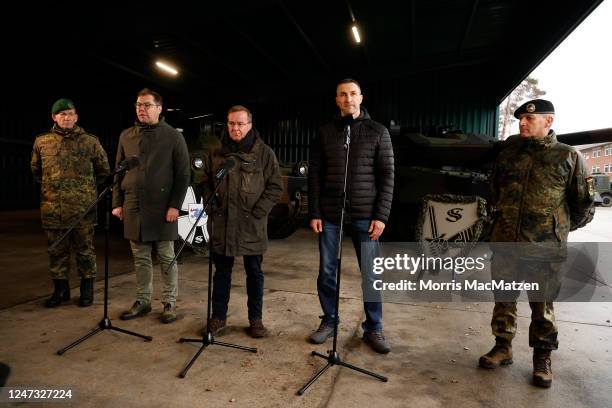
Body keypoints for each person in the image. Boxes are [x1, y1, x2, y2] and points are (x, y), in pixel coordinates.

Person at [479, 99, 594, 387]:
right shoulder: (508, 155)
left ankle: (542, 357)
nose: (523, 123)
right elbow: (493, 192)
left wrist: (557, 231)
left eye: (531, 119)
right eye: (521, 119)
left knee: (542, 305)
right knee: (503, 299)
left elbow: (583, 205)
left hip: (544, 248)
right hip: (506, 242)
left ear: (549, 122)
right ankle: (502, 346)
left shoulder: (567, 157)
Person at [308, 79, 395, 353]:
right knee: (327, 271)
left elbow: (387, 175)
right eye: (343, 95)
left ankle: (374, 327)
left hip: (366, 216)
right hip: (331, 215)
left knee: (371, 273)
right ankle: (330, 320)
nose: (348, 99)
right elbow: (315, 175)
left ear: (361, 97)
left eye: (353, 94)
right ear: (336, 100)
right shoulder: (325, 132)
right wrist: (315, 211)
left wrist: (381, 216)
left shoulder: (378, 132)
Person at [200, 105, 282, 338]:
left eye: (240, 124)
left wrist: (259, 212)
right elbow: (205, 180)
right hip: (222, 224)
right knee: (222, 273)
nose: (235, 128)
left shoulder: (264, 153)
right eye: (231, 123)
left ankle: (255, 320)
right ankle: (218, 318)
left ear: (250, 125)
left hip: (251, 225)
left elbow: (275, 186)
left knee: (254, 272)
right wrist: (211, 202)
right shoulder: (216, 153)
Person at [112, 88, 190, 324]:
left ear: (159, 108)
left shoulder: (173, 137)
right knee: (141, 258)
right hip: (134, 204)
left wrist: (175, 206)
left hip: (163, 207)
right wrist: (117, 203)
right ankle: (143, 301)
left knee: (166, 256)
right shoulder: (126, 136)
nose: (141, 109)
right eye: (138, 105)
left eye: (146, 105)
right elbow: (118, 171)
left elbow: (183, 174)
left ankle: (169, 303)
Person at [31, 98, 110, 308]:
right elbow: (37, 172)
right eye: (62, 114)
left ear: (77, 117)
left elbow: (104, 171)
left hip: (82, 210)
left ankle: (87, 289)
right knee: (57, 251)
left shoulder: (90, 142)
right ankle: (60, 290)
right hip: (53, 209)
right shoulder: (42, 142)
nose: (67, 118)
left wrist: (83, 190)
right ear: (54, 117)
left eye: (71, 114)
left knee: (85, 250)